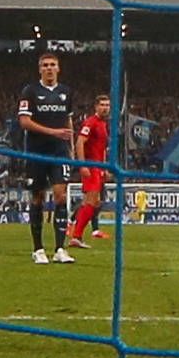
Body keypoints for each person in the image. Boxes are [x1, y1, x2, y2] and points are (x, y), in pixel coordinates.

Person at [18, 52, 76, 264]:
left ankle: (60, 248)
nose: (49, 68)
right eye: (45, 65)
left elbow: (68, 122)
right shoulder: (30, 91)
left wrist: (72, 150)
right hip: (36, 151)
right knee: (38, 198)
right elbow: (24, 122)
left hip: (59, 152)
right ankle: (38, 249)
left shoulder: (66, 92)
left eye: (53, 65)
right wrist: (53, 132)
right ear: (40, 69)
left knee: (61, 196)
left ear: (58, 68)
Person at [67, 94, 111, 247]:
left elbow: (102, 148)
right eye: (103, 105)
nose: (105, 108)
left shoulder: (103, 124)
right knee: (91, 201)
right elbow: (80, 142)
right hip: (91, 166)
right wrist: (82, 165)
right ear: (96, 107)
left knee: (93, 202)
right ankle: (76, 235)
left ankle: (73, 230)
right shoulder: (91, 122)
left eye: (107, 105)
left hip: (98, 167)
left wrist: (105, 167)